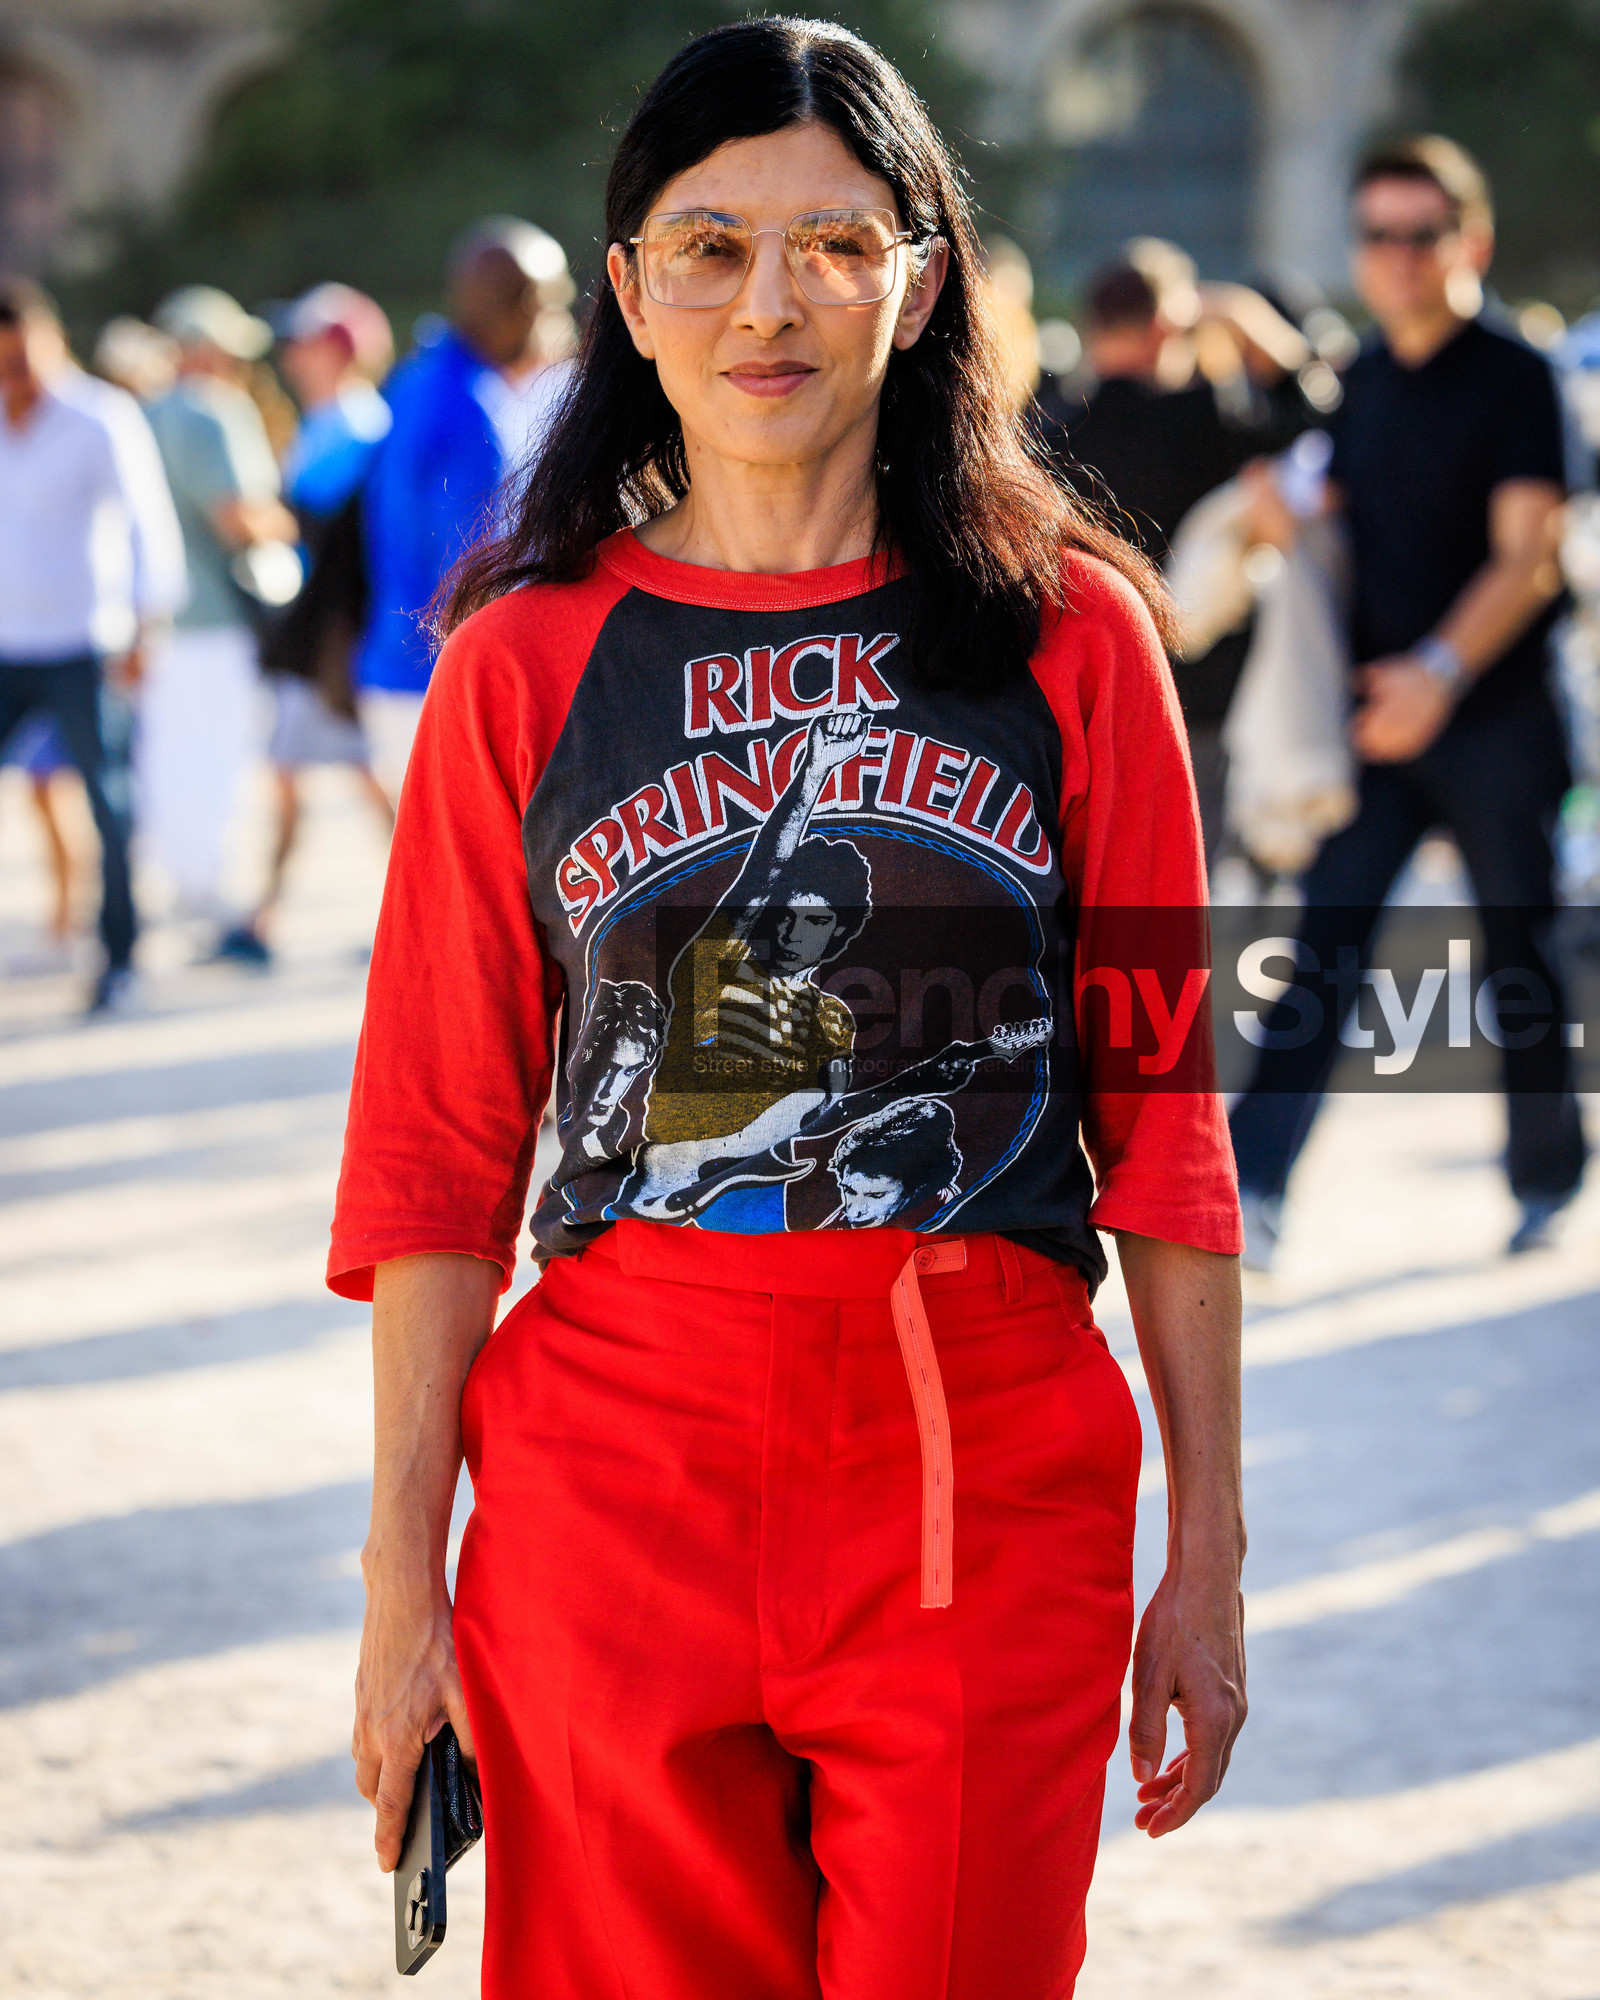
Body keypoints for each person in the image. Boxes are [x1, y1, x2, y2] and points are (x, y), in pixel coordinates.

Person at [334, 21, 1246, 2000]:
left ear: (919, 282)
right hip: (607, 1474)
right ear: (630, 289)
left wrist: (1211, 1553)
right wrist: (404, 1579)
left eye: (836, 244)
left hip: (971, 1463)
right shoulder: (521, 663)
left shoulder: (1071, 638)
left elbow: (1163, 1124)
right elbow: (432, 1158)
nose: (772, 300)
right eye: (710, 243)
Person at [1229, 136, 1587, 1265]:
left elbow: (1529, 555)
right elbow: (1335, 530)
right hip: (1376, 726)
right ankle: (1252, 1181)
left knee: (1518, 956)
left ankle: (1544, 1177)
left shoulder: (1516, 371)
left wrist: (1435, 673)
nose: (1394, 257)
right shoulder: (1364, 383)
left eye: (1417, 233)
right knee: (1321, 948)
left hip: (1496, 720)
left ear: (1467, 242)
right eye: (1375, 235)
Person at [1049, 260, 1308, 860]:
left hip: (1082, 692)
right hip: (1198, 691)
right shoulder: (1208, 421)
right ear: (1168, 328)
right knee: (1188, 880)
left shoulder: (1046, 430)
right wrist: (1253, 324)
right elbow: (1323, 415)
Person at [0, 278, 179, 1011]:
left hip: (84, 641)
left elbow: (148, 526)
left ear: (52, 343)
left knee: (108, 803)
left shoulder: (100, 417)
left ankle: (118, 953)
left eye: (22, 362)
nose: (15, 379)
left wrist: (147, 625)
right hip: (9, 641)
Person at [354, 217, 574, 807]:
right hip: (444, 682)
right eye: (551, 303)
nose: (560, 320)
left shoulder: (422, 379)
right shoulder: (467, 413)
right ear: (518, 307)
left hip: (406, 672)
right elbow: (470, 570)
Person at [234, 284, 397, 960]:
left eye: (303, 343)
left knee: (364, 779)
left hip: (330, 643)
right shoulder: (335, 422)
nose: (292, 357)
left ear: (336, 349)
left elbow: (314, 529)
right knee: (319, 777)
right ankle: (263, 918)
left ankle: (266, 920)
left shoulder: (355, 427)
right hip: (323, 641)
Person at [143, 286, 300, 944]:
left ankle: (185, 887)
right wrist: (292, 524)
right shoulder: (211, 413)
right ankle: (210, 896)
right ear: (202, 350)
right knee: (219, 760)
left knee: (172, 759)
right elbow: (238, 518)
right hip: (217, 614)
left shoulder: (144, 412)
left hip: (161, 616)